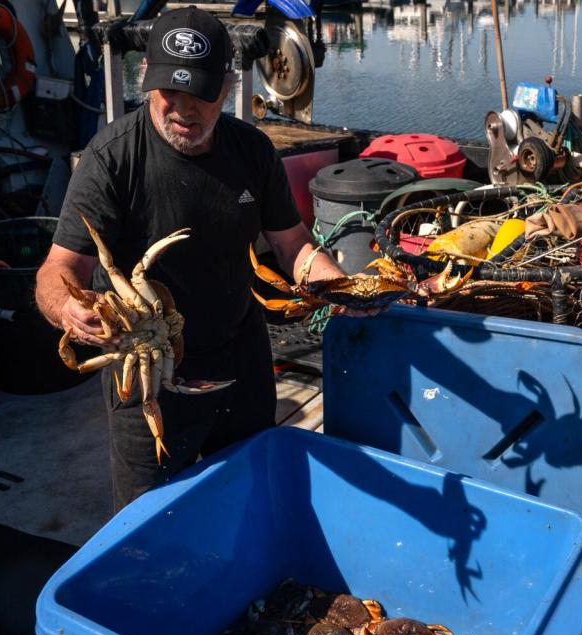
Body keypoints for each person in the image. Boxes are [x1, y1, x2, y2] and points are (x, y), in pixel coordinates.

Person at [36, 7, 348, 511]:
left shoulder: (253, 151)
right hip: (147, 372)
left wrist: (342, 290)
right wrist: (69, 311)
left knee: (249, 495)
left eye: (200, 93)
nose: (183, 109)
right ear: (145, 78)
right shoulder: (112, 159)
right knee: (148, 514)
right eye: (168, 92)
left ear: (227, 86)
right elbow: (58, 271)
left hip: (241, 357)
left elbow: (293, 247)